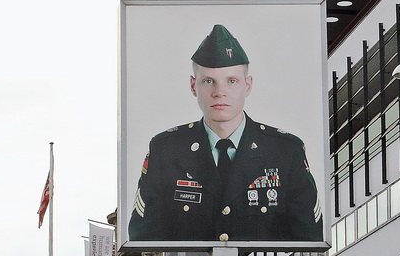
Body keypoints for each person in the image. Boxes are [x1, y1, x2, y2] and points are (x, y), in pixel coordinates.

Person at [128, 23, 322, 244]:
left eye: (231, 81)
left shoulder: (285, 151)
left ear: (247, 85)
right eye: (208, 81)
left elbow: (309, 239)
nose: (219, 92)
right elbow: (143, 238)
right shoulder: (166, 150)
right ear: (193, 86)